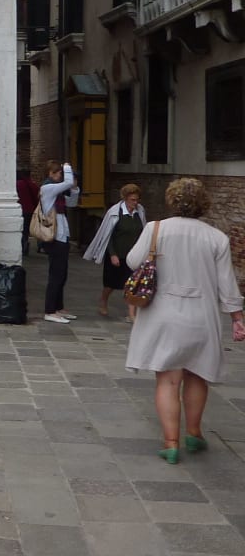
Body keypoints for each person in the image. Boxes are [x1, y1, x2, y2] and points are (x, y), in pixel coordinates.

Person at [125, 178, 245, 465]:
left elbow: (133, 261)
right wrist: (237, 317)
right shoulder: (216, 238)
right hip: (201, 315)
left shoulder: (156, 229)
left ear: (172, 200)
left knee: (167, 380)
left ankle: (170, 443)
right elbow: (226, 284)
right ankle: (193, 432)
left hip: (163, 314)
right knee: (197, 374)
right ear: (203, 204)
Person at [82, 183, 146, 321]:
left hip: (132, 255)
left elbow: (142, 231)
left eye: (137, 200)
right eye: (132, 200)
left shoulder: (140, 211)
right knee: (111, 284)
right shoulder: (114, 212)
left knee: (132, 284)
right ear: (125, 199)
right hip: (117, 253)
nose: (135, 203)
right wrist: (112, 254)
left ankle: (131, 313)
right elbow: (108, 235)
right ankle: (103, 300)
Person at [39, 160, 80, 324]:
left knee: (62, 273)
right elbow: (68, 182)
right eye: (58, 174)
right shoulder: (47, 188)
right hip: (54, 236)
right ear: (50, 174)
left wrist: (75, 188)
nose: (60, 177)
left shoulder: (58, 192)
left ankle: (58, 307)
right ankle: (49, 310)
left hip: (63, 234)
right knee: (55, 275)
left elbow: (72, 202)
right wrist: (68, 167)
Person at [16, 170, 40, 256]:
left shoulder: (17, 184)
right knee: (26, 230)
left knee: (19, 229)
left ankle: (21, 246)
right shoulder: (33, 185)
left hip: (19, 210)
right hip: (30, 210)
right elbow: (37, 197)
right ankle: (25, 245)